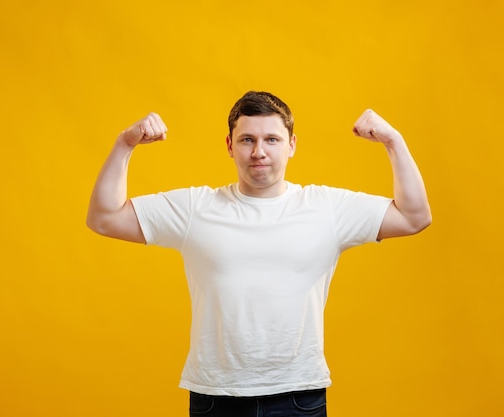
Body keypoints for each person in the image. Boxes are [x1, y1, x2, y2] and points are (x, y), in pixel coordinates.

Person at [86, 91, 431, 417]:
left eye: (272, 139)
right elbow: (104, 218)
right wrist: (125, 144)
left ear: (292, 145)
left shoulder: (326, 208)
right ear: (229, 146)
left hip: (298, 394)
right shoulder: (196, 208)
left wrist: (393, 141)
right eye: (247, 139)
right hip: (216, 396)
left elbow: (414, 216)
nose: (259, 152)